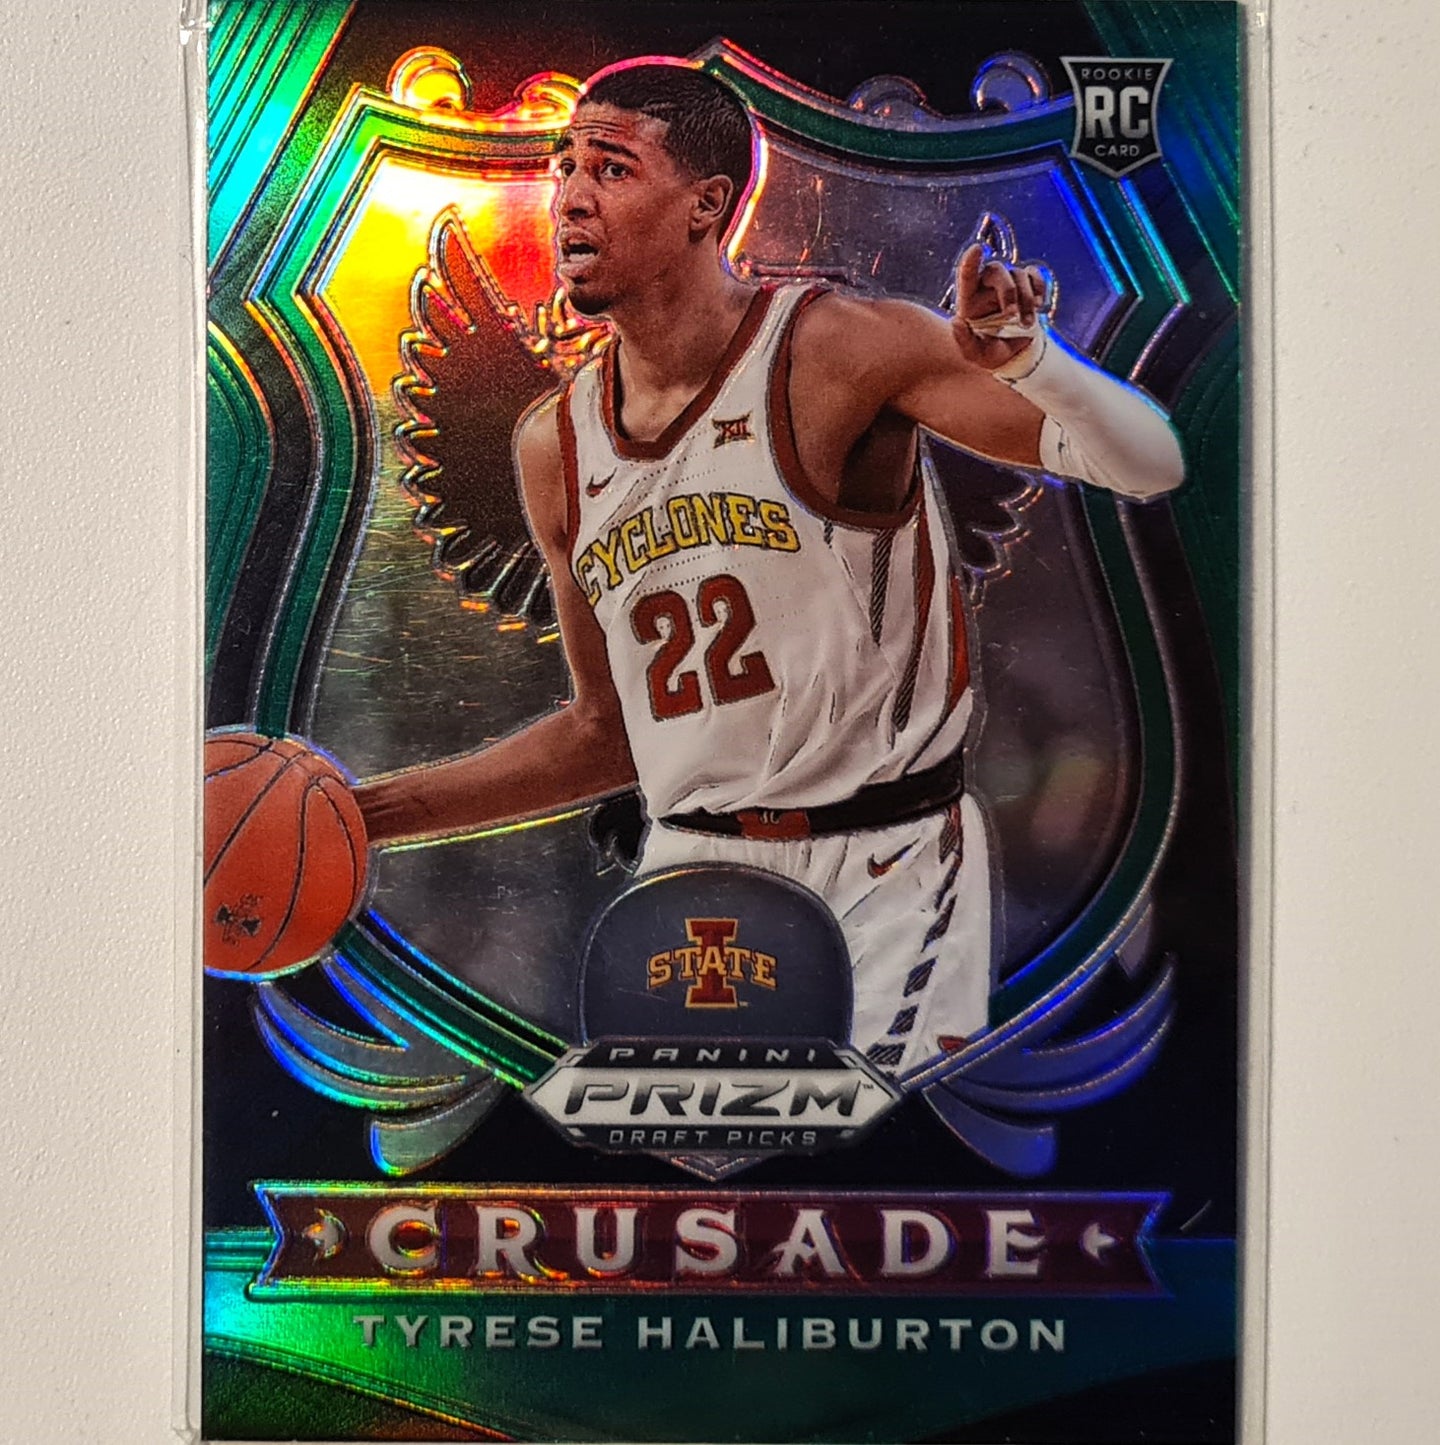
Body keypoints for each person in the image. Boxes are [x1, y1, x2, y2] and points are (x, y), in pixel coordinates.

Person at [356, 61, 1183, 1075]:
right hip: (688, 871)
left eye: (609, 168)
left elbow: (1148, 463)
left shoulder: (838, 350)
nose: (567, 195)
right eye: (563, 166)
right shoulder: (551, 442)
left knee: (870, 1151)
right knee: (698, 1165)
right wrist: (362, 817)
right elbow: (605, 734)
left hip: (885, 866)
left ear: (706, 205)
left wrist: (1032, 365)